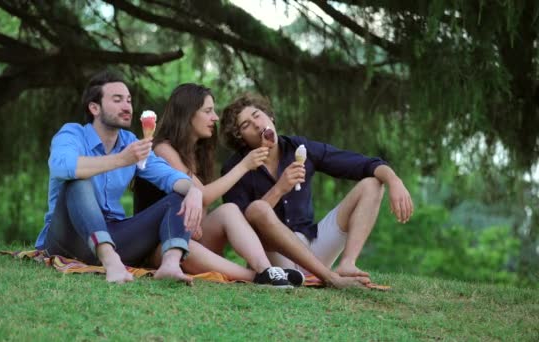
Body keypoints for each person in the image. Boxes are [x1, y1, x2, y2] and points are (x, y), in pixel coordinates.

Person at [219, 93, 414, 288]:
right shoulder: (235, 168)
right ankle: (330, 278)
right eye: (245, 125)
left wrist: (394, 180)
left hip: (313, 247)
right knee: (257, 209)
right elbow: (242, 229)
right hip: (275, 258)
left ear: (270, 117)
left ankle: (347, 264)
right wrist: (279, 189)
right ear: (241, 140)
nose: (256, 123)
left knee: (372, 183)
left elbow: (362, 164)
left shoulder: (300, 148)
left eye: (257, 114)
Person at [34, 70, 204, 284]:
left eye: (129, 100)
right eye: (117, 100)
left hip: (115, 234)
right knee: (77, 180)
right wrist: (121, 160)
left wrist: (194, 191)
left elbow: (168, 176)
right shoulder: (72, 134)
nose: (127, 107)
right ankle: (111, 262)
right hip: (67, 238)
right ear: (94, 108)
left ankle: (170, 265)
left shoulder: (130, 142)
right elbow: (62, 166)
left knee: (180, 196)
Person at [133, 83, 303, 288]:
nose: (215, 117)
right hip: (159, 244)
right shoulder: (163, 149)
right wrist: (244, 166)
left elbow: (200, 206)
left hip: (188, 235)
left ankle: (267, 269)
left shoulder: (198, 153)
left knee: (229, 210)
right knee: (185, 246)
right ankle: (256, 277)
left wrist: (197, 221)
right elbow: (201, 194)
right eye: (208, 111)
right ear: (187, 114)